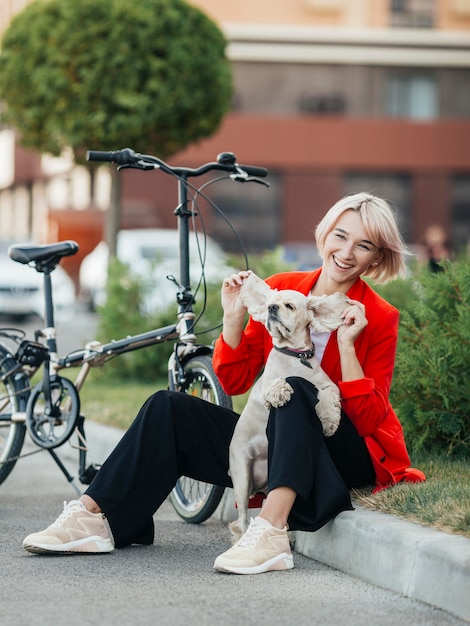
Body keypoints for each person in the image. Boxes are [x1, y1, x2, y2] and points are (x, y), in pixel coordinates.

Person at [22, 192, 425, 575]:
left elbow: (369, 420)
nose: (347, 252)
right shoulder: (283, 287)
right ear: (325, 234)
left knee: (295, 388)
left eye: (364, 245)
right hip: (274, 443)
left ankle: (271, 532)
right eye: (341, 236)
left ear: (376, 258)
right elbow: (233, 379)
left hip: (338, 456)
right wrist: (233, 317)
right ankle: (97, 516)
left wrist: (348, 347)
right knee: (168, 407)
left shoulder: (378, 315)